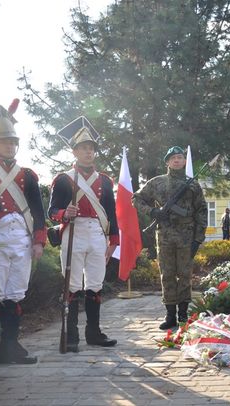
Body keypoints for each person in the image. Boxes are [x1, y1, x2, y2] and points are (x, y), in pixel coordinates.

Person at [48, 117, 118, 352]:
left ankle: (94, 332)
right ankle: (72, 336)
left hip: (97, 233)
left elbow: (111, 214)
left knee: (96, 284)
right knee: (73, 284)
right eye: (84, 148)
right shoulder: (64, 179)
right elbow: (52, 211)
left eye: (91, 148)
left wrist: (113, 241)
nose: (88, 152)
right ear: (75, 151)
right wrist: (64, 213)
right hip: (74, 232)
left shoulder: (105, 181)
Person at [0, 103, 46, 365]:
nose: (9, 147)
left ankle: (10, 347)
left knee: (14, 293)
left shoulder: (27, 175)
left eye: (12, 142)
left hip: (21, 241)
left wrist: (38, 241)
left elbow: (38, 211)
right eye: (4, 142)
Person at [133, 146, 207, 330]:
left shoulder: (193, 185)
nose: (176, 160)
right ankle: (170, 315)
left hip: (186, 236)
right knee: (167, 275)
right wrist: (153, 211)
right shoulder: (156, 182)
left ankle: (183, 314)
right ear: (167, 162)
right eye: (173, 158)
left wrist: (198, 238)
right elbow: (136, 198)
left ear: (183, 161)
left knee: (184, 275)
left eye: (180, 157)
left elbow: (201, 212)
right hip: (165, 235)